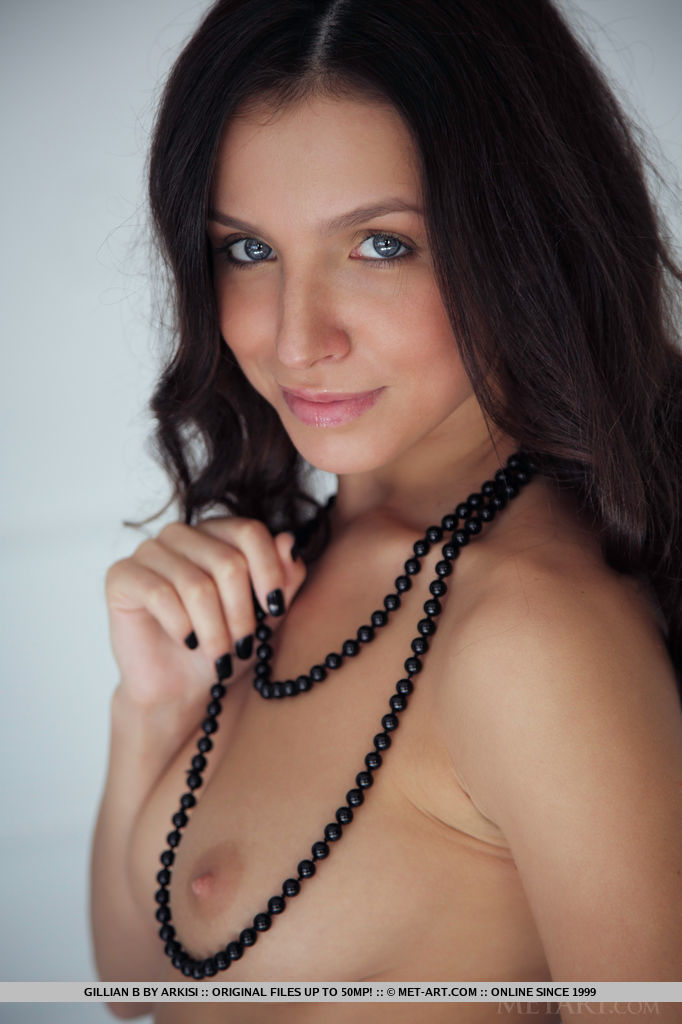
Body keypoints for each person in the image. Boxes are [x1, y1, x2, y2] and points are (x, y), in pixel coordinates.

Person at [90, 0, 682, 1021]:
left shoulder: (527, 641)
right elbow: (132, 984)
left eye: (379, 245)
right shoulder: (297, 556)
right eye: (248, 250)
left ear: (523, 239)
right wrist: (151, 711)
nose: (296, 339)